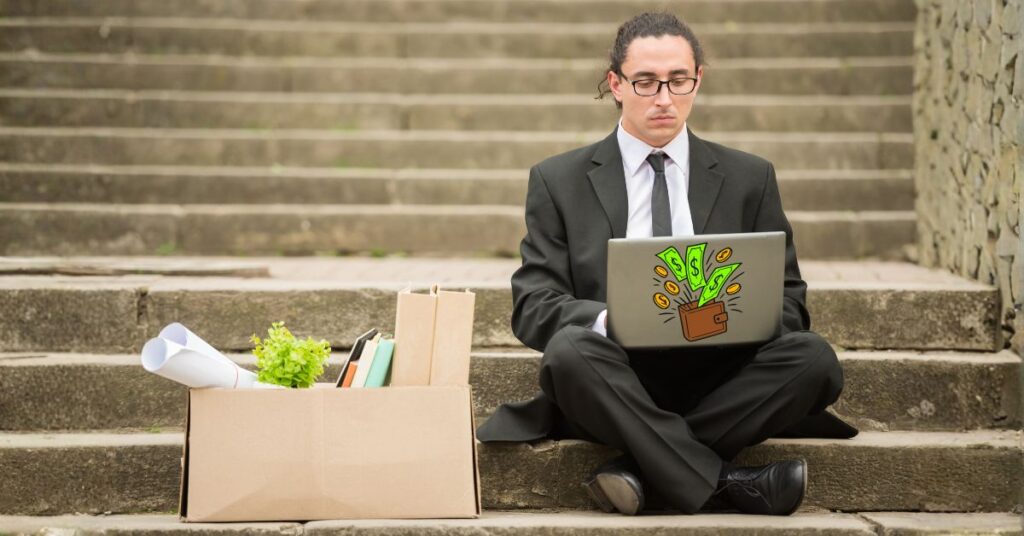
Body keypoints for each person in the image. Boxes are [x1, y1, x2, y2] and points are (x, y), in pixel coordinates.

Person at [475, 12, 858, 516]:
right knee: (569, 352)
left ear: (698, 78)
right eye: (646, 82)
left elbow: (790, 305)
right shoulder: (558, 180)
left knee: (814, 359)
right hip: (615, 378)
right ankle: (726, 482)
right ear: (616, 84)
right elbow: (533, 305)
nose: (663, 98)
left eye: (678, 80)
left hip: (723, 378)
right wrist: (616, 321)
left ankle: (640, 471)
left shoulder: (750, 177)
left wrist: (719, 321)